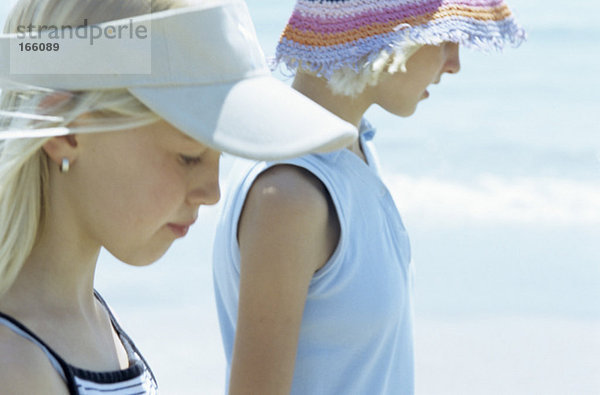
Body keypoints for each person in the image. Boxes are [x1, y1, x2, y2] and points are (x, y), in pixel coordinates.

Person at [0, 0, 356, 393]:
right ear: (66, 132)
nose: (213, 193)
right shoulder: (15, 365)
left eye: (220, 155)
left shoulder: (90, 321)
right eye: (189, 157)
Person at [213, 0, 526, 394]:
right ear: (390, 30)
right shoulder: (290, 196)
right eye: (445, 37)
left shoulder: (350, 151)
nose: (454, 63)